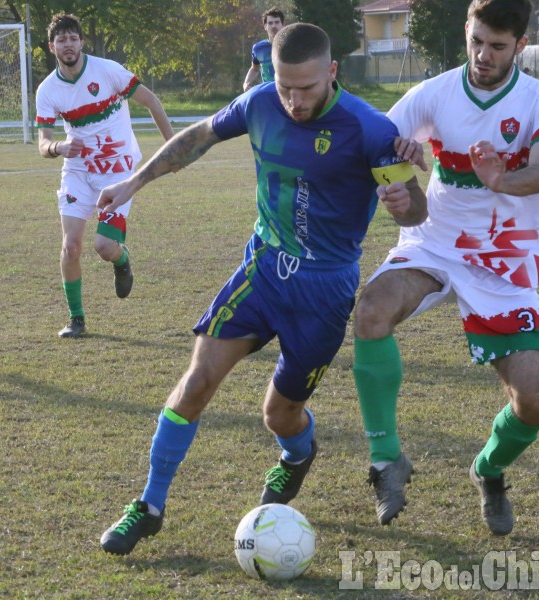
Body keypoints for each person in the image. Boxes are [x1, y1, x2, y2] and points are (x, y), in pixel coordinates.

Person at [97, 23, 428, 556]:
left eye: (307, 88)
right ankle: (150, 505)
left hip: (325, 290)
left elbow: (416, 205)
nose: (294, 101)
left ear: (332, 72)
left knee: (279, 415)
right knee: (198, 378)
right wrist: (134, 181)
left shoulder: (370, 129)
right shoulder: (259, 103)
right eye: (284, 87)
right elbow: (197, 137)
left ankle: (297, 454)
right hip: (264, 270)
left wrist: (404, 202)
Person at [353, 0, 539, 534]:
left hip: (504, 258)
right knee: (370, 312)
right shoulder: (435, 92)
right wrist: (402, 170)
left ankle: (488, 470)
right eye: (477, 41)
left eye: (497, 46)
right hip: (436, 242)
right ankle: (387, 461)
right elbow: (375, 143)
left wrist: (499, 180)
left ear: (520, 45)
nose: (483, 55)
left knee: (534, 402)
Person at [35, 13, 175, 339]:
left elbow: (152, 102)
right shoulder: (48, 90)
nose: (68, 45)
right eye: (61, 40)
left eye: (73, 38)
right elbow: (43, 143)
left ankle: (122, 259)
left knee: (104, 247)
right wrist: (58, 146)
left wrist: (173, 148)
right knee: (70, 247)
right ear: (52, 46)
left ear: (82, 42)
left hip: (118, 173)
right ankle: (76, 319)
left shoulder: (108, 71)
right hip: (78, 172)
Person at [242, 7, 285, 91]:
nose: (274, 26)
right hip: (268, 91)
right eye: (270, 23)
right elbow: (254, 69)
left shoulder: (291, 45)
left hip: (288, 91)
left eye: (277, 22)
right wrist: (246, 83)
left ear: (283, 24)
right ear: (265, 26)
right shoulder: (258, 48)